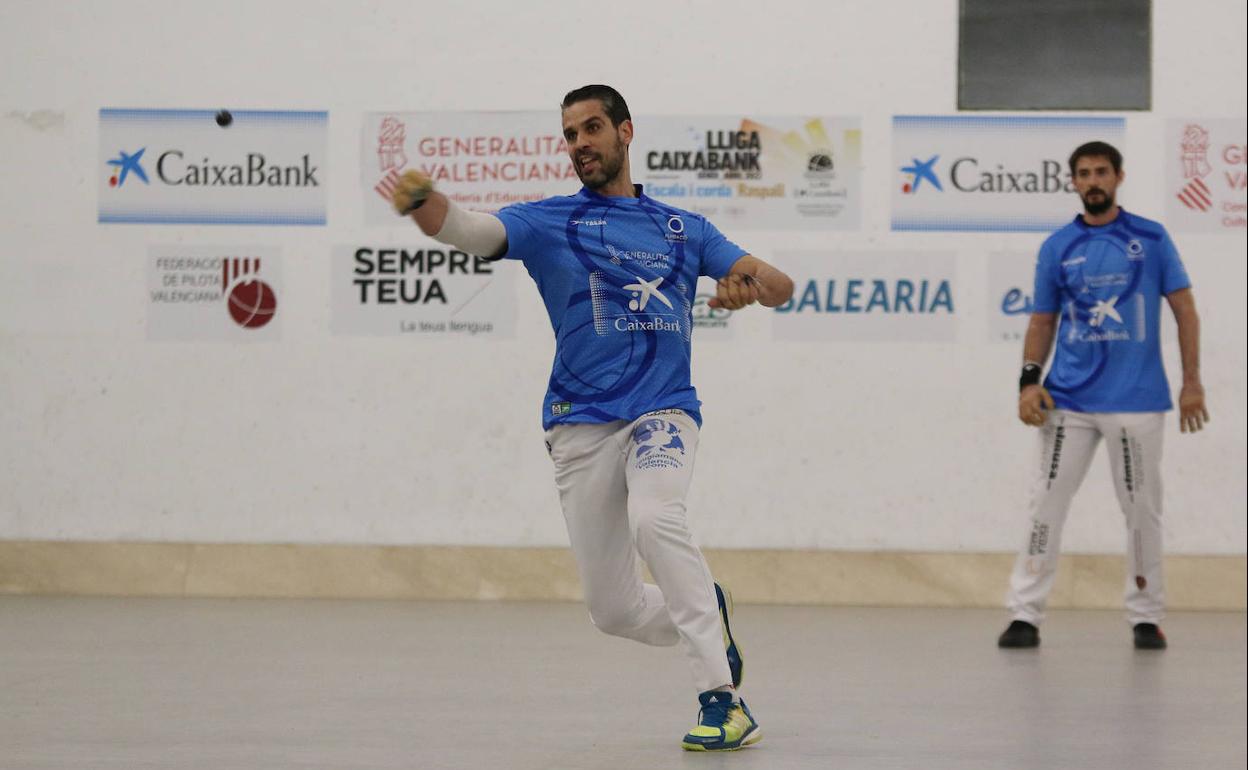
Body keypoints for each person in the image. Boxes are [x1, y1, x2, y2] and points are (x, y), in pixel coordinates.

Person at [390, 84, 794, 751]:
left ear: (625, 133)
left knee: (656, 519)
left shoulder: (682, 230)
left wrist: (748, 287)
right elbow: (473, 232)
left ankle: (722, 699)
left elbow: (778, 285)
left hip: (662, 410)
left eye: (593, 128)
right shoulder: (550, 222)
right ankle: (706, 613)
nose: (581, 143)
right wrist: (424, 205)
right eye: (571, 134)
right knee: (615, 612)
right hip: (579, 425)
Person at [998, 141, 1209, 651]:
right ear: (1072, 181)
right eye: (1084, 173)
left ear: (1119, 177)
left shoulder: (1151, 238)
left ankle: (1145, 615)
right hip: (1067, 401)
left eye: (1102, 172)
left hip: (1137, 402)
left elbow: (1184, 310)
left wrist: (1192, 381)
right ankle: (1025, 614)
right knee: (1045, 503)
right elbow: (1042, 319)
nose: (1093, 180)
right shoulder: (1058, 247)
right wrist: (1029, 381)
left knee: (1141, 508)